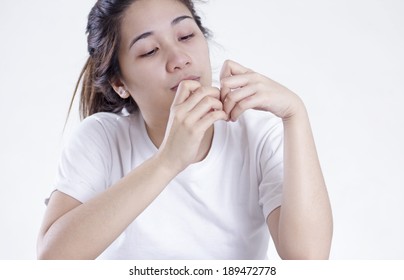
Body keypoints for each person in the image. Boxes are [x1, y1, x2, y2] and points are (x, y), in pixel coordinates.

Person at [37, 0, 333, 260]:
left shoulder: (255, 132)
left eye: (186, 35)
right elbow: (53, 260)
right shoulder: (101, 138)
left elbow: (307, 259)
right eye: (150, 50)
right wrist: (168, 161)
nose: (179, 59)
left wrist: (296, 114)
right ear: (119, 83)